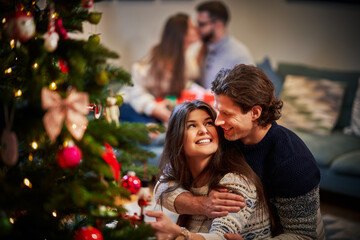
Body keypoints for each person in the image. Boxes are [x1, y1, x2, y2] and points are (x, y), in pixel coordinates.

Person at [154, 64, 325, 239]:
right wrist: (201, 204)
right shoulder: (223, 133)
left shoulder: (294, 162)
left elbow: (303, 235)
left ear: (255, 113)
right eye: (218, 110)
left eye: (227, 114)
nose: (218, 121)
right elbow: (165, 181)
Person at [148, 100, 273, 240]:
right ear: (177, 138)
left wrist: (181, 234)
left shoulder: (233, 182)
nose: (203, 130)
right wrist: (201, 204)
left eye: (208, 123)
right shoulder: (180, 170)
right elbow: (161, 186)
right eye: (192, 126)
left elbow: (221, 237)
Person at [120, 13, 201, 125]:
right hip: (130, 104)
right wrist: (154, 108)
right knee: (154, 130)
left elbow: (188, 81)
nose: (197, 29)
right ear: (182, 34)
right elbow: (135, 90)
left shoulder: (186, 58)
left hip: (154, 105)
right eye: (192, 26)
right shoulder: (156, 62)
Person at [195, 1, 254, 89]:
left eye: (202, 24)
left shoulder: (240, 55)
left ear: (218, 24)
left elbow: (250, 91)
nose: (197, 29)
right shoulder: (202, 48)